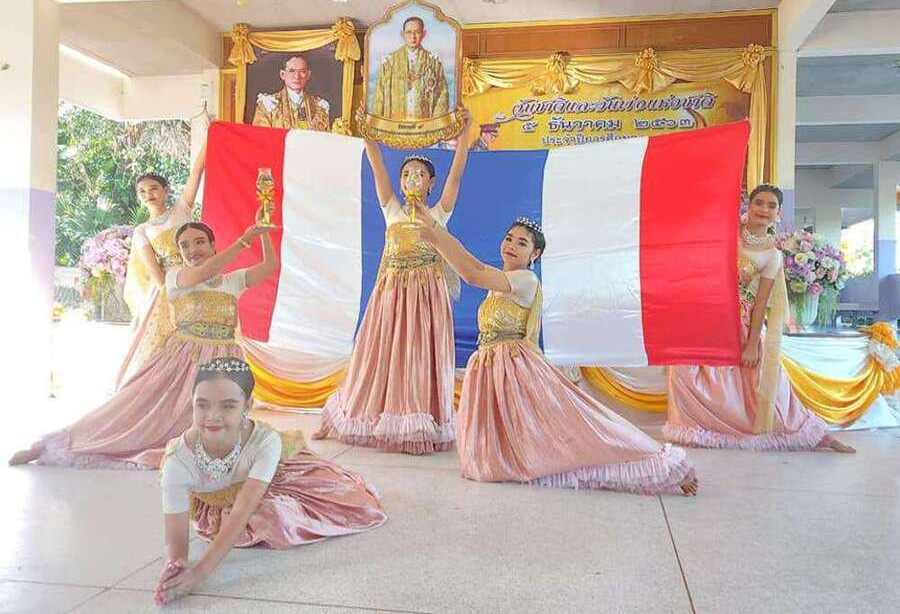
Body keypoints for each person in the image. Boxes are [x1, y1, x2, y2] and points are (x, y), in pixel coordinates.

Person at [414, 211, 699, 495]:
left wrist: (437, 238)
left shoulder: (525, 280)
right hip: (492, 367)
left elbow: (473, 273)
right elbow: (474, 266)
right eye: (509, 238)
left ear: (534, 254)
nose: (511, 245)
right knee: (503, 453)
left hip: (515, 368)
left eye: (522, 243)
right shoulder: (501, 281)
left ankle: (661, 465)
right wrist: (436, 228)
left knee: (576, 425)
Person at [9, 216, 278, 468]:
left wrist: (263, 233)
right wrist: (244, 239)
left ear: (212, 245)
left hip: (223, 364)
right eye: (184, 245)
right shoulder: (176, 276)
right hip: (183, 358)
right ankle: (53, 445)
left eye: (199, 242)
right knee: (131, 409)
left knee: (216, 422)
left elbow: (270, 267)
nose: (192, 249)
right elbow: (207, 270)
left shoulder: (232, 281)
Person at [154, 357, 386, 606]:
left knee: (288, 514)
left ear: (247, 405)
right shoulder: (177, 462)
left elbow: (242, 510)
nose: (213, 416)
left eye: (228, 406)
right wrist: (176, 570)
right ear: (192, 403)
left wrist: (200, 574)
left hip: (281, 478)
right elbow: (175, 540)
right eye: (202, 405)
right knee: (264, 517)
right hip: (224, 501)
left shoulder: (265, 441)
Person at [313, 116, 473, 454]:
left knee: (418, 355)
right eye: (406, 173)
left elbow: (457, 174)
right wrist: (368, 135)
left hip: (426, 297)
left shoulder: (439, 214)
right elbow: (377, 168)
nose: (412, 178)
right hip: (392, 294)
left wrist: (465, 134)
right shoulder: (392, 211)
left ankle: (416, 421)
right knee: (381, 354)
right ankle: (366, 413)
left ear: (431, 183)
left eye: (420, 174)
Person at [664, 184, 855, 453]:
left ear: (778, 212)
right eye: (759, 203)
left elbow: (761, 303)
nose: (764, 209)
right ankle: (699, 427)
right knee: (681, 370)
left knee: (765, 383)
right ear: (749, 205)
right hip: (706, 315)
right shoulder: (726, 233)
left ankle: (817, 436)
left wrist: (752, 344)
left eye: (771, 205)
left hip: (741, 322)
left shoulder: (772, 255)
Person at [117, 141, 208, 387]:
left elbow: (197, 171)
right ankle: (168, 390)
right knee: (168, 342)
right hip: (169, 289)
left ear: (166, 190)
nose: (148, 194)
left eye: (154, 188)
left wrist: (210, 135)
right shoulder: (142, 230)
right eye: (142, 191)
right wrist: (173, 295)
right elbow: (155, 272)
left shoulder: (181, 209)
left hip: (198, 277)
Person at [371, 16, 450, 120]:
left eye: (417, 32)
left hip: (424, 124)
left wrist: (434, 123)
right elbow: (379, 96)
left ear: (424, 34)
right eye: (409, 32)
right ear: (402, 34)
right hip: (395, 124)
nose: (413, 37)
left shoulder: (433, 63)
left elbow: (442, 94)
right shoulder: (389, 62)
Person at [252, 55, 330, 131]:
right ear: (282, 74)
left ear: (308, 74)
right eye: (292, 71)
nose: (297, 76)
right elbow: (259, 136)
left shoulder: (320, 106)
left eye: (302, 71)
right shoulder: (268, 104)